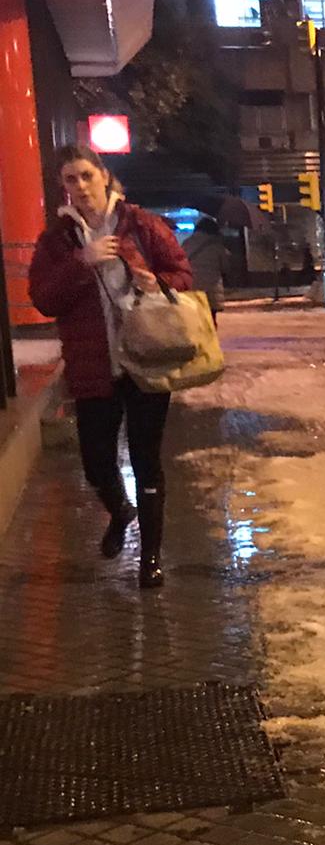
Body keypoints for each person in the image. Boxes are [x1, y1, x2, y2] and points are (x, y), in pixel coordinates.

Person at [28, 144, 194, 589]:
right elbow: (43, 299)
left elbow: (183, 275)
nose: (80, 187)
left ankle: (151, 559)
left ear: (104, 176)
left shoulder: (141, 225)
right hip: (92, 366)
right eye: (70, 179)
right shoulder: (57, 241)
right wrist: (81, 263)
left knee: (146, 459)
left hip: (146, 360)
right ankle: (121, 511)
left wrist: (154, 281)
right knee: (96, 461)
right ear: (63, 187)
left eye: (86, 175)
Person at [182, 217, 228, 323]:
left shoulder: (187, 243)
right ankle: (210, 338)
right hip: (211, 288)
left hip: (192, 286)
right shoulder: (217, 246)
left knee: (195, 319)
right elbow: (225, 267)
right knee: (211, 320)